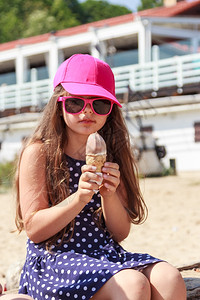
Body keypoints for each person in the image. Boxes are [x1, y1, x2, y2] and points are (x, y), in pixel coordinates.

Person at [15, 54, 186, 300]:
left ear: (110, 110)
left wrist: (109, 194)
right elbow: (35, 230)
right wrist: (80, 198)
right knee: (134, 285)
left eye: (100, 104)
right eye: (75, 103)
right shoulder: (39, 152)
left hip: (104, 253)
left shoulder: (113, 153)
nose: (87, 111)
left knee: (169, 278)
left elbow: (119, 233)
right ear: (59, 105)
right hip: (55, 260)